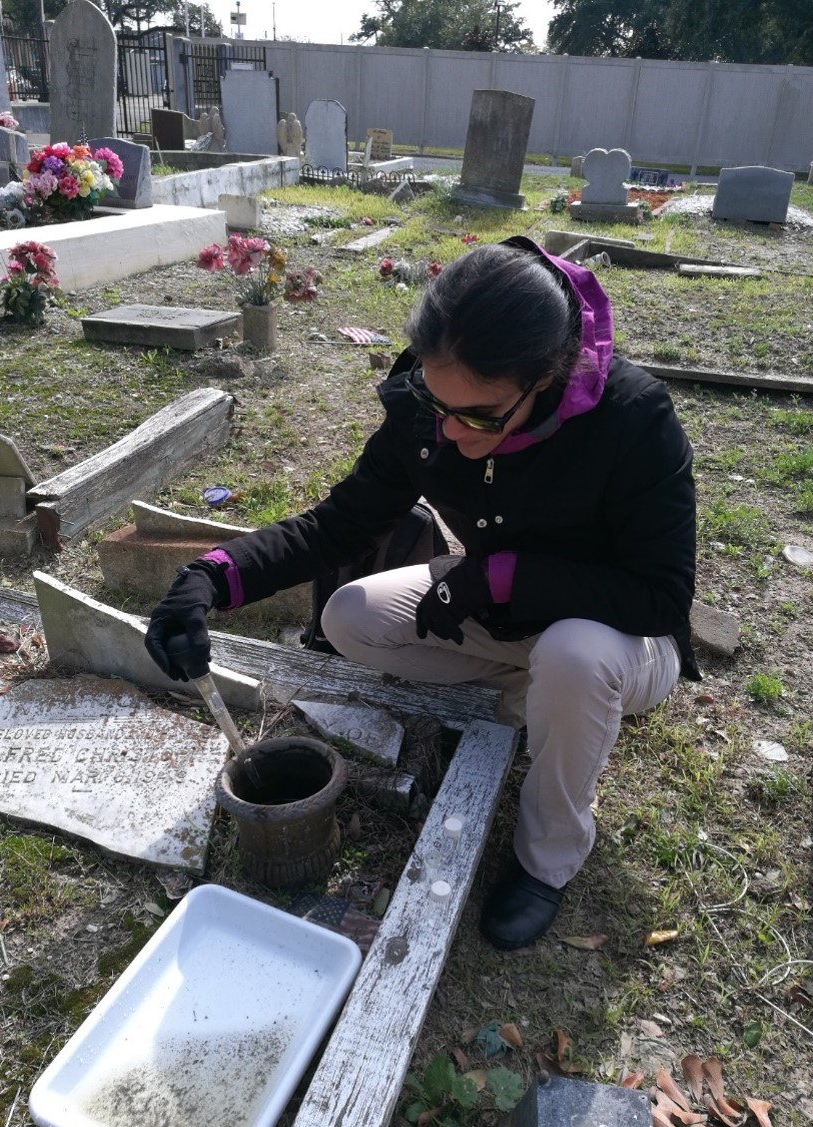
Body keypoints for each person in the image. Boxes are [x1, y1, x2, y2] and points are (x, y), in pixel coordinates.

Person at [145, 236, 699, 951]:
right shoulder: (430, 405)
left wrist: (500, 578)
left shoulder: (633, 418)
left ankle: (547, 857)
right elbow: (338, 524)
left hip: (619, 639)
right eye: (436, 404)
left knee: (573, 656)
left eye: (480, 415)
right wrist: (210, 577)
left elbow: (661, 599)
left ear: (551, 374)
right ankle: (533, 701)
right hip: (501, 616)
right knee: (351, 617)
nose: (448, 430)